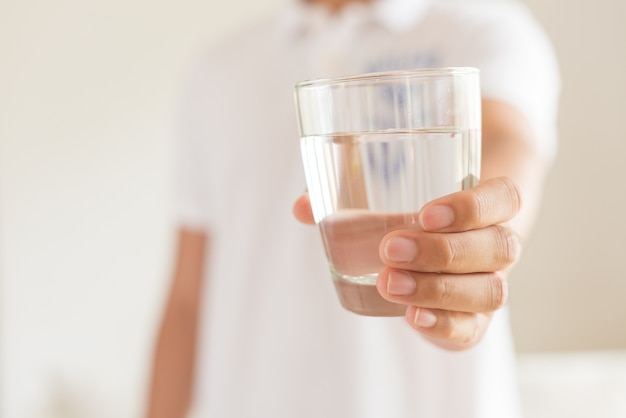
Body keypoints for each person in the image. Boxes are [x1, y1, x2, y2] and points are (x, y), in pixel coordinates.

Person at [145, 0, 560, 417]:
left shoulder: (482, 30)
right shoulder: (218, 69)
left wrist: (475, 252)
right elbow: (187, 302)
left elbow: (508, 142)